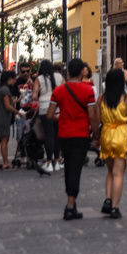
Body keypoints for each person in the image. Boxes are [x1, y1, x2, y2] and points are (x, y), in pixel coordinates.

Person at [47, 58, 100, 221]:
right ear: (82, 71)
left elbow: (49, 115)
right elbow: (92, 116)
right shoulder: (88, 91)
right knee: (75, 169)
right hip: (80, 135)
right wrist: (96, 136)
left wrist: (61, 117)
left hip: (63, 135)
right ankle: (70, 205)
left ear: (68, 72)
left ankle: (71, 202)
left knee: (69, 167)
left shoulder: (59, 91)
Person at [98, 66, 127, 219]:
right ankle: (115, 207)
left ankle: (107, 200)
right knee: (118, 174)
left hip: (106, 135)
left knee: (110, 171)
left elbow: (98, 119)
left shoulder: (101, 99)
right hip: (121, 136)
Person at [34, 58, 65, 173]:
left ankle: (49, 162)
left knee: (49, 135)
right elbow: (65, 89)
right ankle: (57, 161)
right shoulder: (59, 77)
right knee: (57, 134)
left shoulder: (39, 79)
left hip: (44, 109)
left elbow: (34, 95)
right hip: (57, 108)